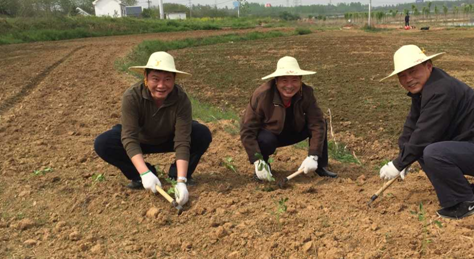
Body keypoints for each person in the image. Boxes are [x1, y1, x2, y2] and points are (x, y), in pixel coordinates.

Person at [378, 45, 474, 219]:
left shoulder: (440, 90)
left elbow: (425, 134)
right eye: (402, 75)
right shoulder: (426, 90)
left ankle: (466, 202)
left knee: (432, 151)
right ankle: (467, 193)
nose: (408, 79)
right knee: (423, 150)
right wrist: (404, 157)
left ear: (428, 66)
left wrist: (398, 163)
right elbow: (412, 126)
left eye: (412, 71)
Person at [94, 51, 212, 207]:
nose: (161, 85)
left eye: (167, 79)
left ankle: (176, 174)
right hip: (140, 140)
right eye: (155, 79)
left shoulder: (181, 99)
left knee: (201, 133)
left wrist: (181, 181)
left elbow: (182, 140)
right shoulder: (132, 96)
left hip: (168, 138)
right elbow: (129, 137)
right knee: (103, 143)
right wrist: (144, 173)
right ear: (146, 77)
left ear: (174, 80)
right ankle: (141, 176)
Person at [240, 56, 337, 181]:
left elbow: (316, 123)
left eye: (294, 80)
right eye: (284, 80)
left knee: (321, 123)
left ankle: (319, 165)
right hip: (271, 134)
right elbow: (247, 129)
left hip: (294, 130)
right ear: (276, 81)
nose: (289, 86)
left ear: (300, 81)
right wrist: (257, 160)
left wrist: (313, 155)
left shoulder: (306, 93)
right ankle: (264, 165)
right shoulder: (262, 95)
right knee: (265, 139)